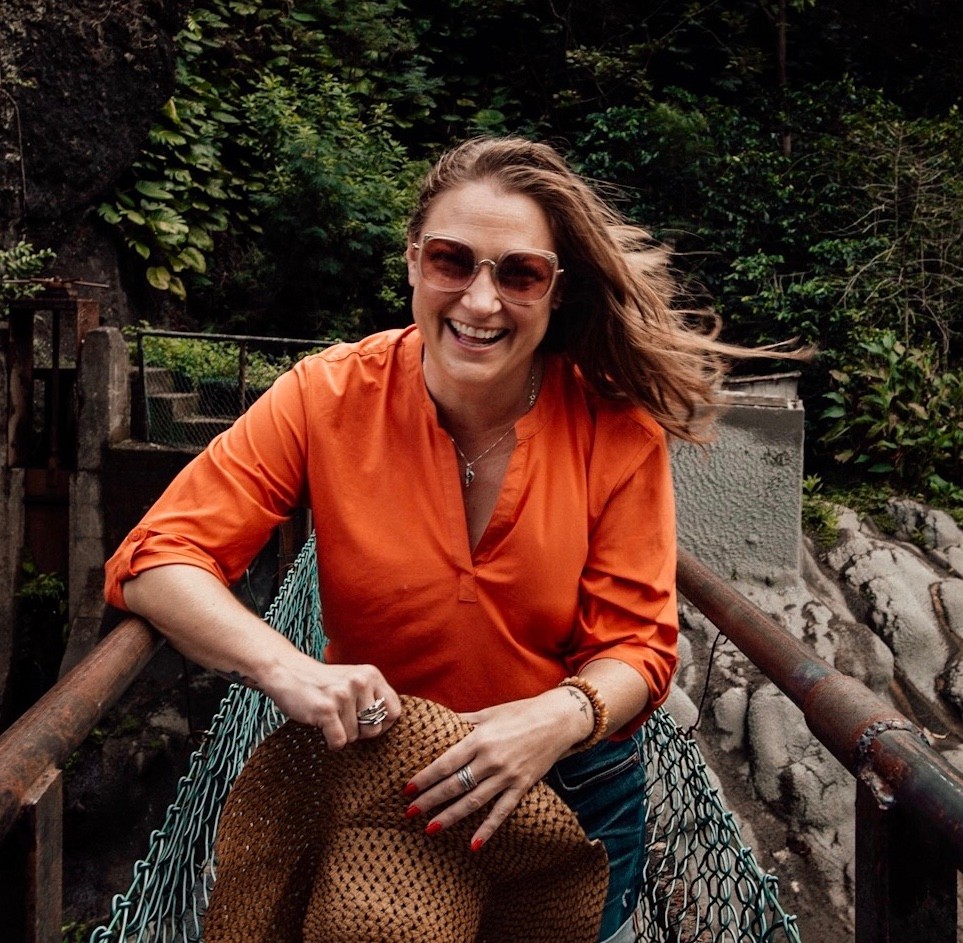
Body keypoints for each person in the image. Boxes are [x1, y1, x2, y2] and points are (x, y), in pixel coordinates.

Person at [104, 136, 779, 942]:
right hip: (389, 786)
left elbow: (635, 645)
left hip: (569, 789)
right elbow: (157, 557)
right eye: (451, 261)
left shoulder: (613, 425)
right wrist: (286, 668)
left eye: (519, 273)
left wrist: (558, 716)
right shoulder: (327, 395)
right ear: (412, 260)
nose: (480, 301)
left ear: (557, 288)